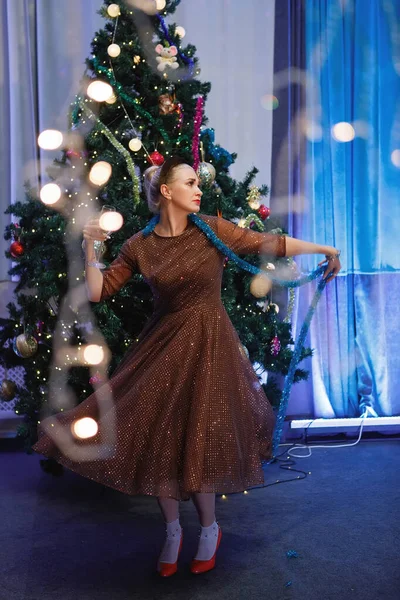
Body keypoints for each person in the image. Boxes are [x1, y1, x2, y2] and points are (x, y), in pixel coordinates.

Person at [33, 156, 341, 577]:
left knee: (201, 436)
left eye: (198, 182)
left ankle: (210, 529)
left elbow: (269, 243)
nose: (199, 189)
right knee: (161, 434)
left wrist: (326, 250)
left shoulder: (211, 230)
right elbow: (100, 290)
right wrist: (90, 248)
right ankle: (173, 531)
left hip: (211, 347)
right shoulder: (140, 245)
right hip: (164, 345)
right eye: (190, 182)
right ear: (166, 191)